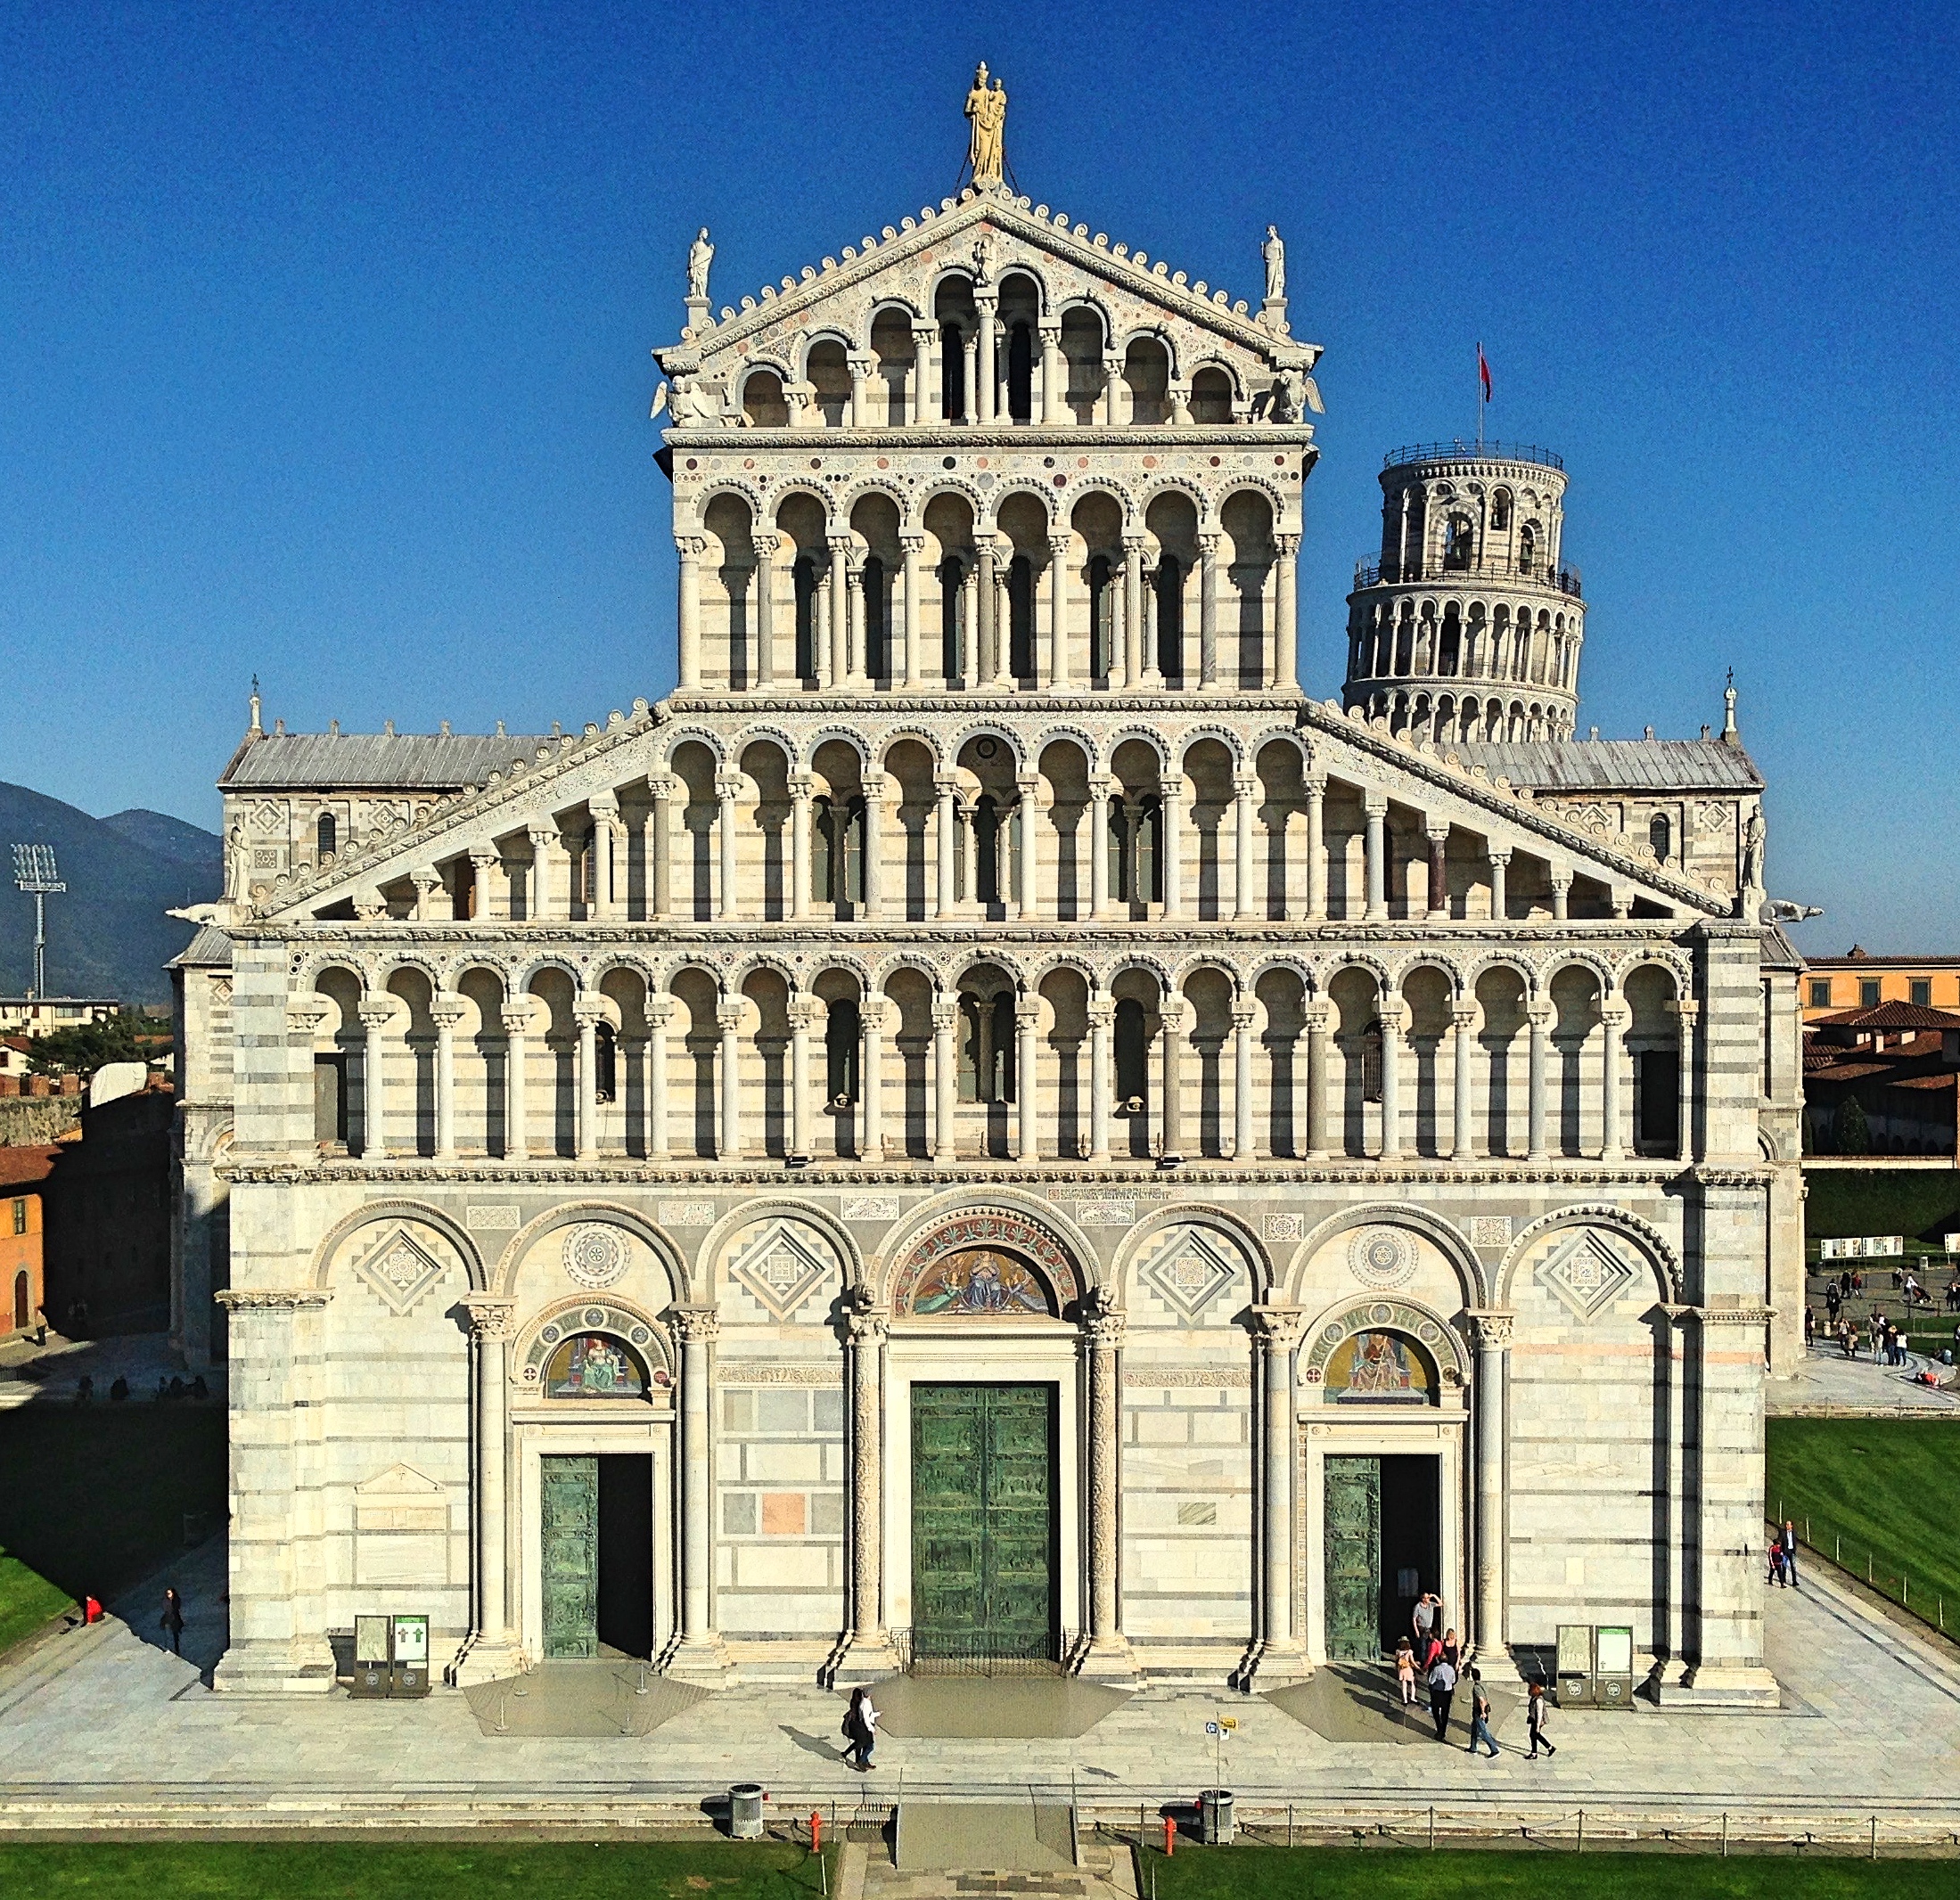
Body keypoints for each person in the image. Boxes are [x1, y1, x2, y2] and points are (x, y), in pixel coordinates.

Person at [841, 1684, 879, 1772]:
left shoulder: (857, 1704)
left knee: (861, 1744)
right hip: (861, 1728)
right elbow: (866, 1718)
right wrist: (872, 1729)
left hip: (860, 1728)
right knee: (865, 1745)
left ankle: (863, 1761)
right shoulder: (861, 1705)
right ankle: (860, 1761)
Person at [1466, 1667, 1499, 1758]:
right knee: (1474, 1730)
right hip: (1482, 1710)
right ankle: (1473, 1748)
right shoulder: (1483, 1685)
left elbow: (1482, 1700)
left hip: (1479, 1711)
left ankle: (1494, 1750)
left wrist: (1482, 1712)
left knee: (1483, 1732)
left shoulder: (1476, 1687)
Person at [1426, 1651, 1457, 1742]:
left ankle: (1439, 1728)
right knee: (1445, 1713)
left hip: (1437, 1693)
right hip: (1447, 1693)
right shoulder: (1451, 1669)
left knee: (1435, 1711)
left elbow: (1431, 1681)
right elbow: (1453, 1680)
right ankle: (1442, 1731)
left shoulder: (1436, 1669)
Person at [1525, 1681, 1556, 1758]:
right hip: (1534, 1719)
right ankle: (1535, 1752)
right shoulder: (1534, 1698)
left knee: (1535, 1734)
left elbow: (1539, 1714)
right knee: (1534, 1735)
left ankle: (1549, 1748)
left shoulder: (1539, 1700)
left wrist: (1538, 1726)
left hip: (1538, 1721)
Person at [160, 1587, 185, 1655]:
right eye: (167, 1593)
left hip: (175, 1619)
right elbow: (166, 1609)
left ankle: (177, 1649)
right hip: (168, 1619)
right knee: (167, 1634)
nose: (168, 1594)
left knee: (175, 1635)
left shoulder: (176, 1600)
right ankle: (167, 1647)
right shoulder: (165, 1601)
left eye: (169, 1593)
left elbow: (178, 1608)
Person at [1394, 1637, 1416, 1708]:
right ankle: (1413, 1698)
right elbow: (1412, 1661)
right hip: (1408, 1668)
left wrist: (1397, 1669)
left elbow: (1396, 1660)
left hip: (1401, 1669)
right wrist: (1418, 1668)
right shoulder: (1409, 1651)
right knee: (1413, 1683)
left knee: (1404, 1684)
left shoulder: (1398, 1651)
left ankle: (1405, 1700)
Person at [1780, 1520, 1800, 1588]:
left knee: (1793, 1567)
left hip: (1792, 1551)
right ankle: (1783, 1580)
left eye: (1788, 1525)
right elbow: (1781, 1542)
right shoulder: (1783, 1533)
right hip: (1785, 1551)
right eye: (1786, 1524)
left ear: (1791, 1526)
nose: (1787, 1526)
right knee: (1784, 1566)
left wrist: (1794, 1550)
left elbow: (1795, 1542)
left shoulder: (1794, 1533)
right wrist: (1782, 1551)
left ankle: (1794, 1581)